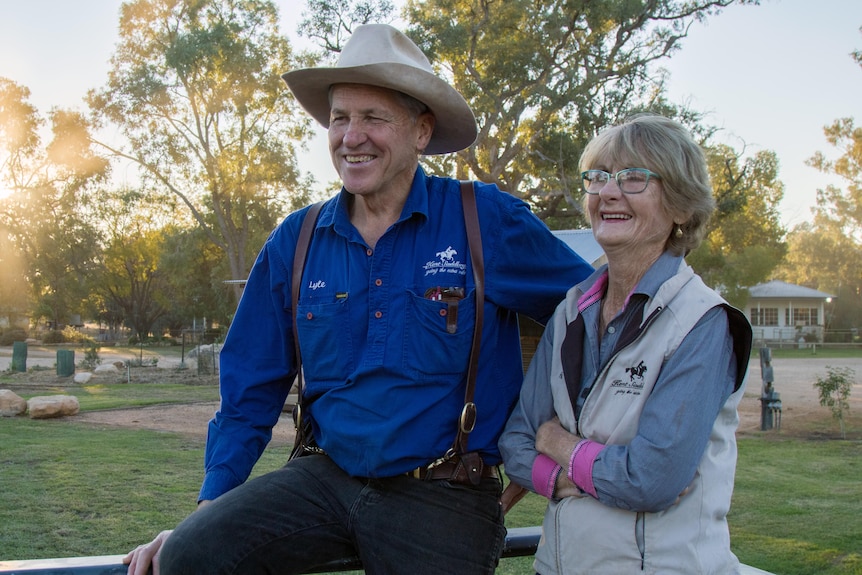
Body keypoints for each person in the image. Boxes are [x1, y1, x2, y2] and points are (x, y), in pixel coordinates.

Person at [124, 23, 593, 575]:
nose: (352, 136)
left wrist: (529, 452)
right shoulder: (296, 242)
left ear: (421, 131)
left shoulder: (482, 219)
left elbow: (592, 318)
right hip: (323, 478)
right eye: (340, 118)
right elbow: (250, 383)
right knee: (189, 557)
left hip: (443, 491)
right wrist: (207, 511)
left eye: (373, 118)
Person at [499, 114, 753, 575]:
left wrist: (556, 442)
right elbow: (517, 442)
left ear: (681, 207)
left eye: (634, 178)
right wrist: (562, 479)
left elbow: (650, 479)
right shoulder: (570, 311)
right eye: (599, 178)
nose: (608, 193)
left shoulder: (703, 323)